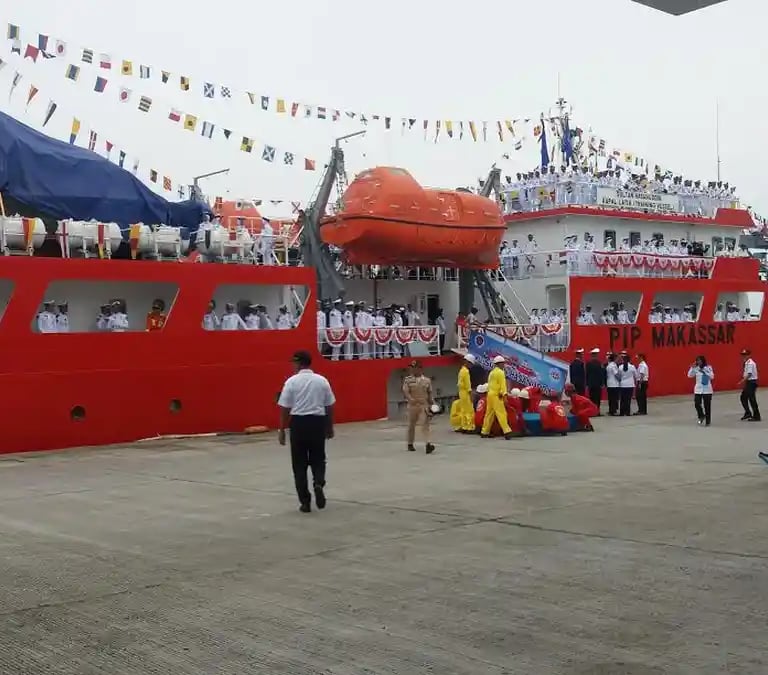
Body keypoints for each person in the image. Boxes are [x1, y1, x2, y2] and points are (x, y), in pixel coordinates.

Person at [277, 350, 335, 513]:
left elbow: (285, 408)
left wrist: (282, 429)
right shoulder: (322, 380)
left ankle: (305, 502)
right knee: (318, 458)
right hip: (317, 422)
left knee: (299, 464)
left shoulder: (291, 382)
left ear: (298, 363)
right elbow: (329, 406)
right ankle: (318, 482)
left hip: (299, 423)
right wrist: (329, 427)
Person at [402, 360, 436, 453]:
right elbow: (406, 391)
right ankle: (410, 443)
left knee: (425, 425)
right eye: (412, 368)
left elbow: (430, 394)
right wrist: (410, 399)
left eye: (415, 368)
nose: (412, 369)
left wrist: (433, 405)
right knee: (411, 425)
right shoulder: (408, 380)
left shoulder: (427, 380)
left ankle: (428, 444)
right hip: (412, 405)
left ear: (420, 368)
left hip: (423, 405)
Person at [480, 355, 514, 439]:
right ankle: (507, 431)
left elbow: (490, 384)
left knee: (489, 414)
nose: (504, 365)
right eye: (503, 363)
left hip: (490, 395)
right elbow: (503, 385)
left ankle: (484, 432)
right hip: (497, 396)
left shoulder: (491, 373)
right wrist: (504, 396)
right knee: (501, 413)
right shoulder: (500, 372)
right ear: (500, 364)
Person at [688, 355, 714, 426]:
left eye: (700, 360)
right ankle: (701, 416)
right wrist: (692, 368)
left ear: (703, 361)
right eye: (697, 360)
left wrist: (703, 371)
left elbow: (712, 376)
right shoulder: (695, 368)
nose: (698, 362)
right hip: (698, 389)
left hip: (707, 390)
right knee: (697, 403)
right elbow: (689, 375)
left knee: (707, 405)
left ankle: (708, 420)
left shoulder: (708, 367)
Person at [455, 353, 476, 433]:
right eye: (471, 363)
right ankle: (469, 427)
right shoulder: (466, 371)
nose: (471, 365)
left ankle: (464, 426)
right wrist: (470, 393)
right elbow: (468, 384)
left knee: (463, 410)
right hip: (466, 392)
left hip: (461, 392)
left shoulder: (461, 370)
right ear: (467, 362)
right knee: (469, 410)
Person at [738, 349, 760, 422]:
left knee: (752, 399)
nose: (744, 356)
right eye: (743, 355)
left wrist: (742, 381)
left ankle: (756, 416)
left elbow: (749, 374)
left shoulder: (750, 363)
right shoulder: (746, 362)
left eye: (745, 355)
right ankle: (748, 413)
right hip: (749, 382)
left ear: (749, 355)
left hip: (751, 382)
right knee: (743, 397)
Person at [617, 351, 637, 417]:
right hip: (630, 385)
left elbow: (619, 376)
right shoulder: (632, 367)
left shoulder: (620, 367)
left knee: (622, 399)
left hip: (622, 385)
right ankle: (627, 412)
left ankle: (622, 412)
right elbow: (636, 375)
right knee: (628, 399)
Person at [585, 348, 604, 413]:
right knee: (597, 398)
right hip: (598, 384)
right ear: (596, 355)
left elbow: (587, 374)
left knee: (592, 398)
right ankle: (597, 411)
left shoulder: (588, 363)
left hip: (591, 384)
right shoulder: (599, 363)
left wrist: (587, 384)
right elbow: (601, 374)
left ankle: (593, 411)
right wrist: (602, 383)